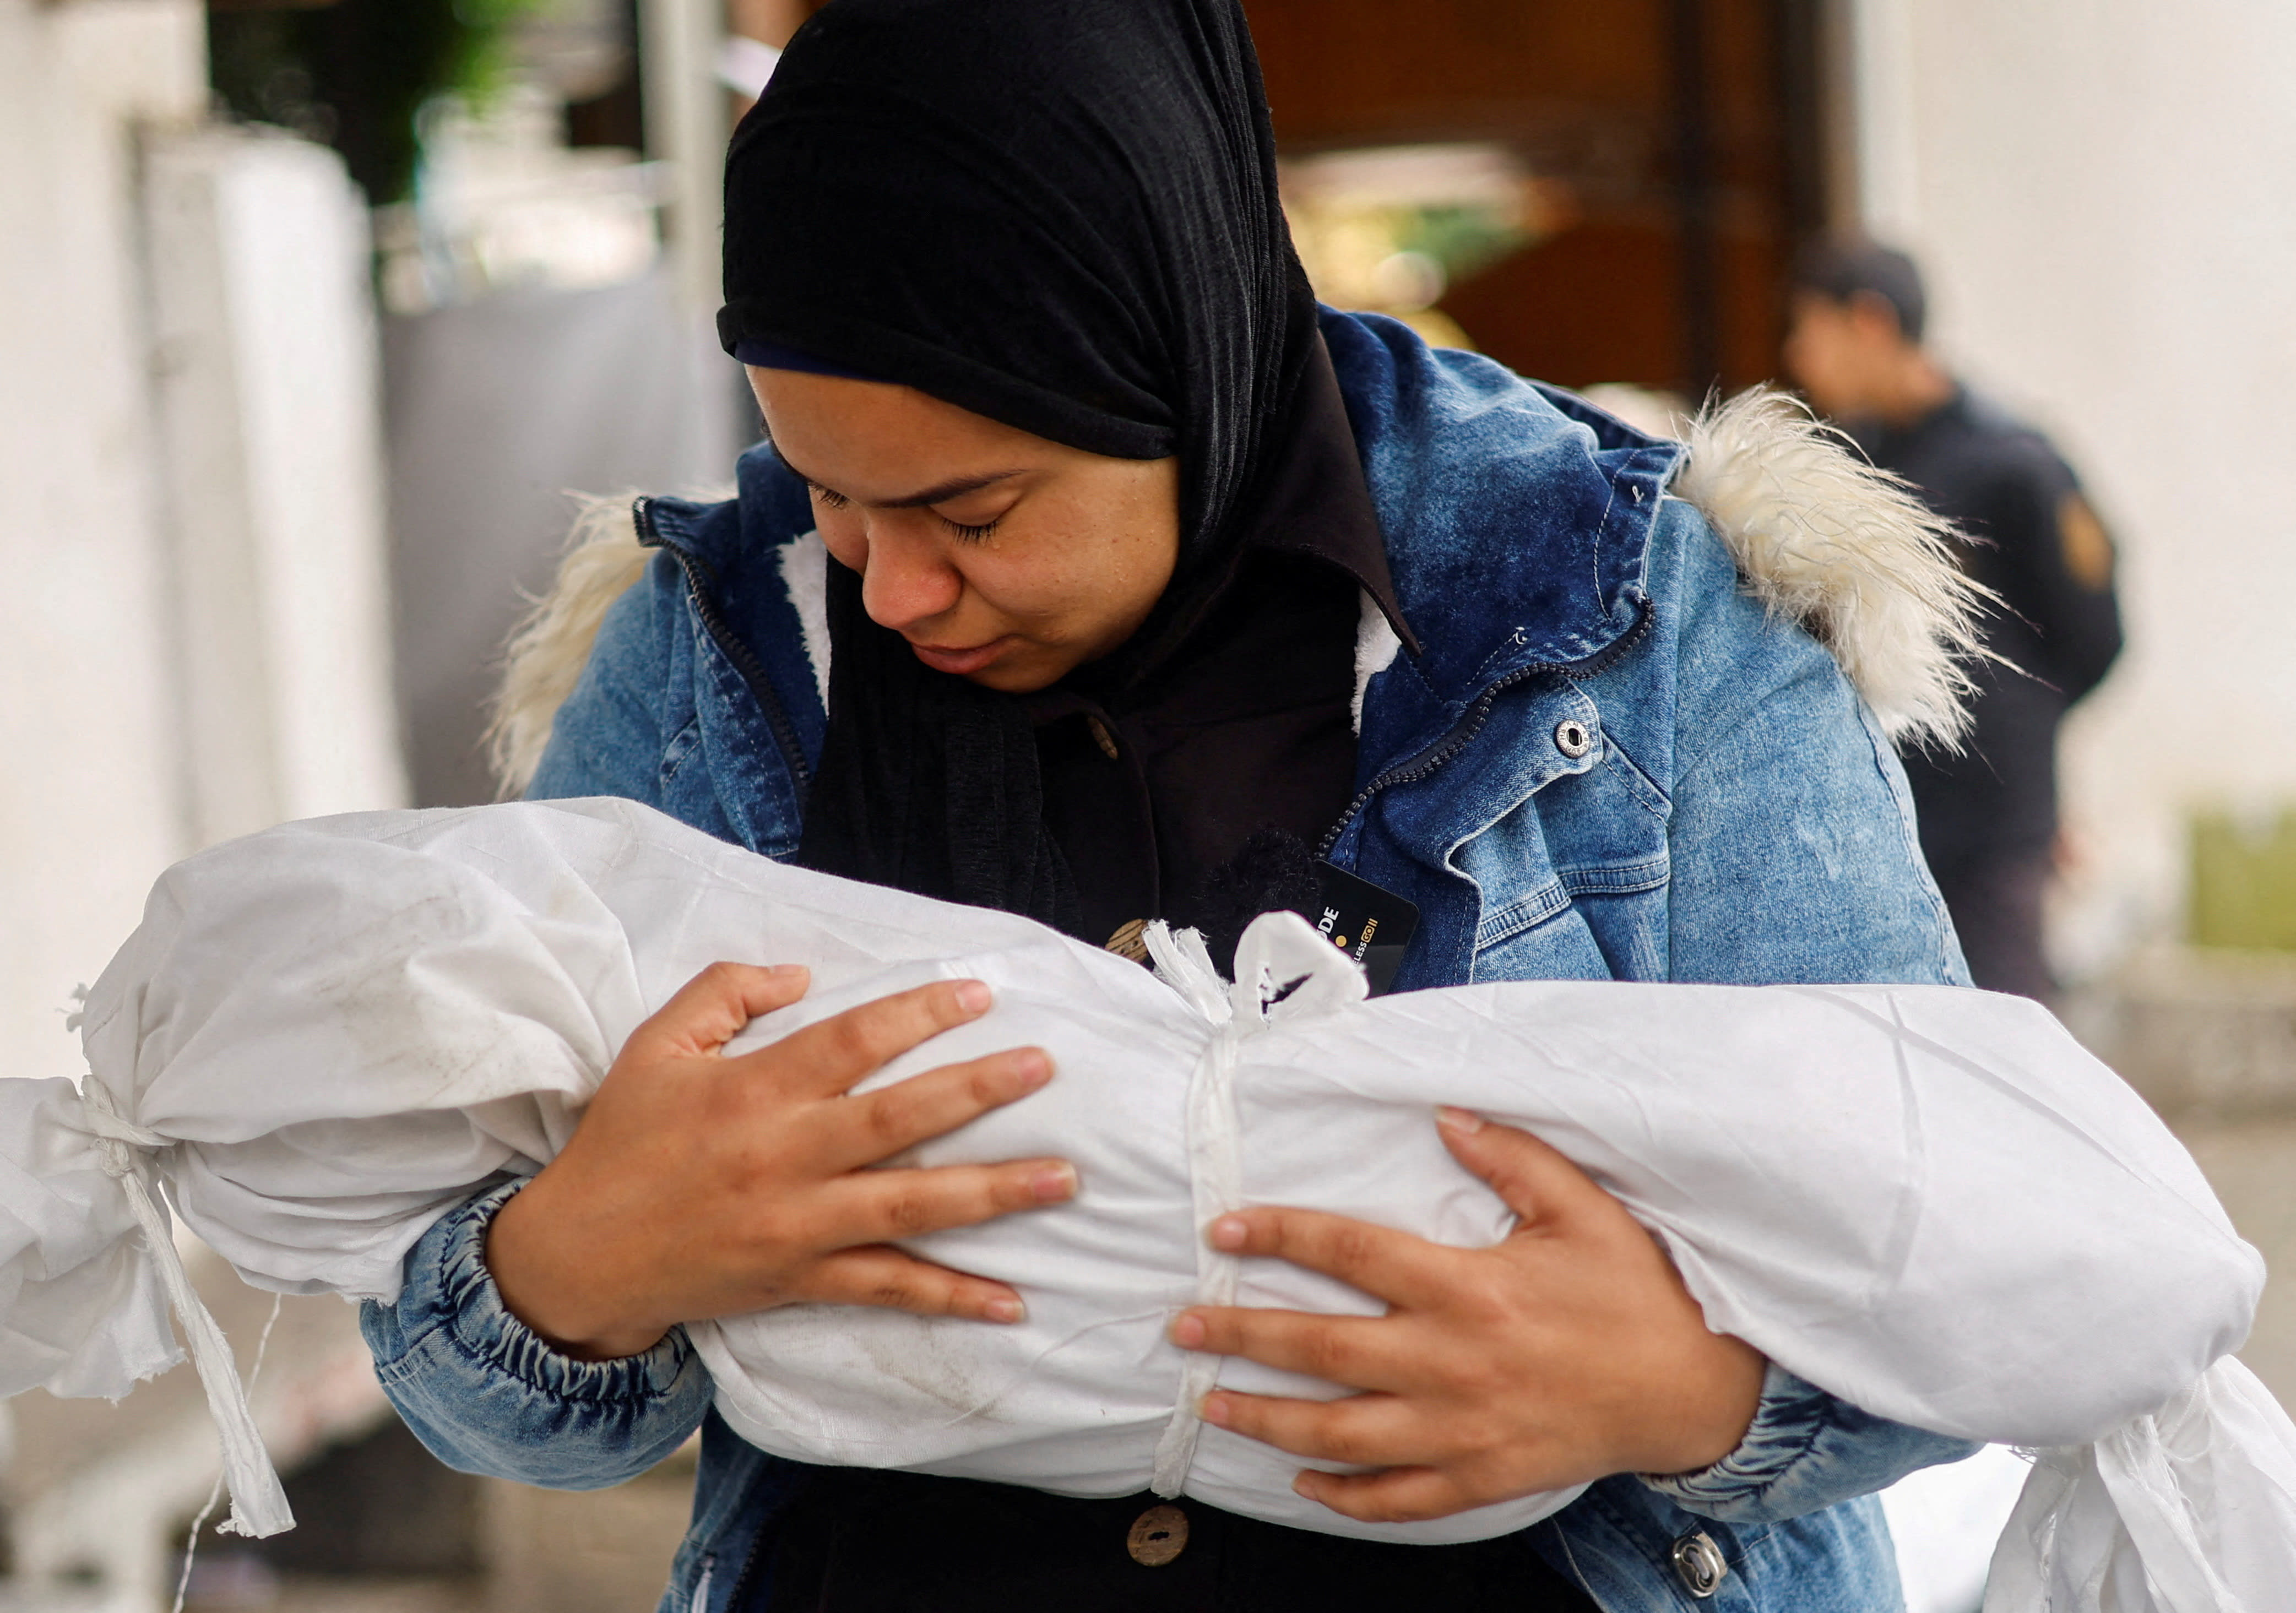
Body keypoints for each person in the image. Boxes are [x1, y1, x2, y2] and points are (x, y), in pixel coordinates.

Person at [361, 4, 1993, 1607]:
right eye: (835, 495)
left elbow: (1969, 1259)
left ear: (1176, 351)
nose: (894, 588)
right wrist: (585, 1261)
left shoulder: (1635, 619)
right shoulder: (720, 646)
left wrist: (1674, 1387)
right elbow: (457, 1359)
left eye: (970, 513)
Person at [1783, 237, 2124, 1001]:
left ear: (1868, 323)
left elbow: (2094, 639)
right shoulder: (1854, 464)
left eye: (1810, 329)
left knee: (2003, 1027)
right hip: (1886, 818)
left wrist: (2013, 739)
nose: (1798, 356)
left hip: (1993, 835)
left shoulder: (2013, 463)